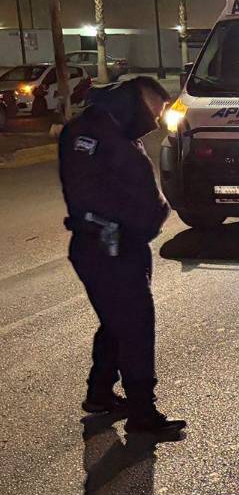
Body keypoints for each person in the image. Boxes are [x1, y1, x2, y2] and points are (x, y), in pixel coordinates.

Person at [59, 77, 186, 437]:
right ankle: (142, 412)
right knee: (135, 325)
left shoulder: (104, 130)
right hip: (109, 247)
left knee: (117, 321)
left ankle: (99, 393)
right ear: (137, 103)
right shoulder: (102, 137)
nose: (157, 122)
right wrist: (144, 220)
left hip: (111, 244)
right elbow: (100, 196)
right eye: (156, 112)